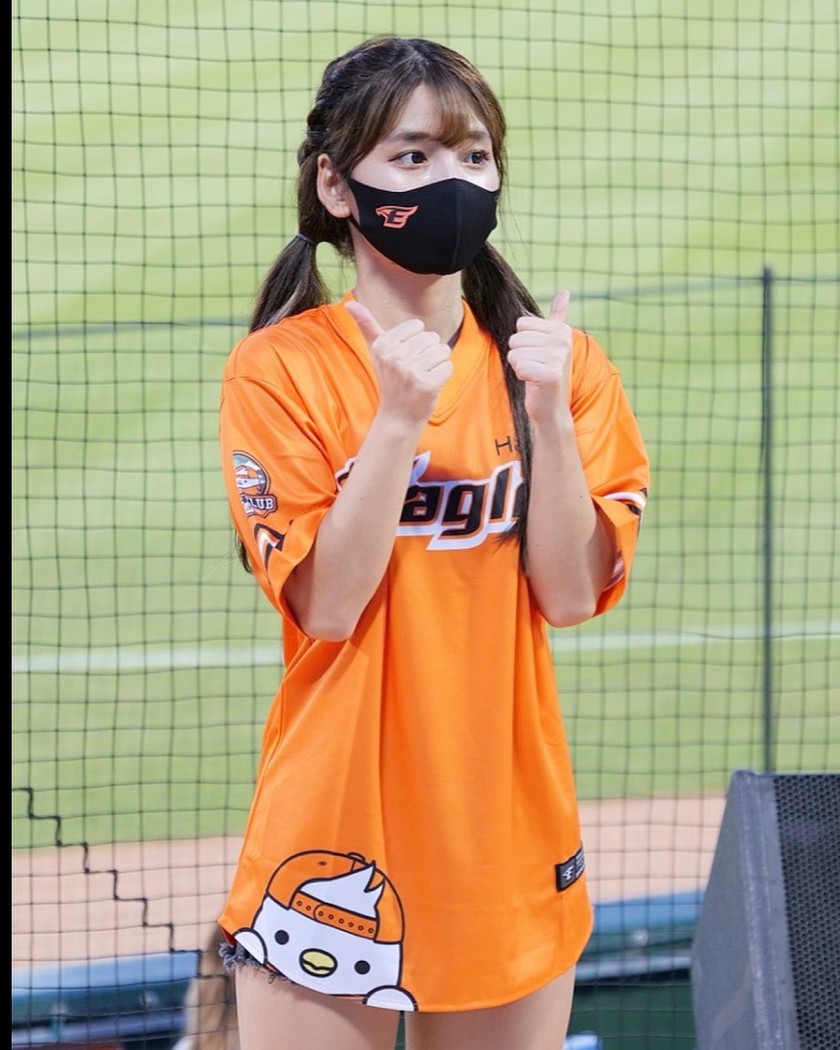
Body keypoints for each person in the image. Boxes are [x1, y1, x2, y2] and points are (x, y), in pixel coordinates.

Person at [216, 34, 649, 1050]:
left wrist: (548, 422)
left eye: (472, 154)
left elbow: (571, 594)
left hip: (505, 829)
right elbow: (328, 605)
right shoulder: (279, 369)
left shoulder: (561, 368)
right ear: (337, 185)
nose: (452, 179)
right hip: (331, 840)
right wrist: (399, 421)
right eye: (412, 156)